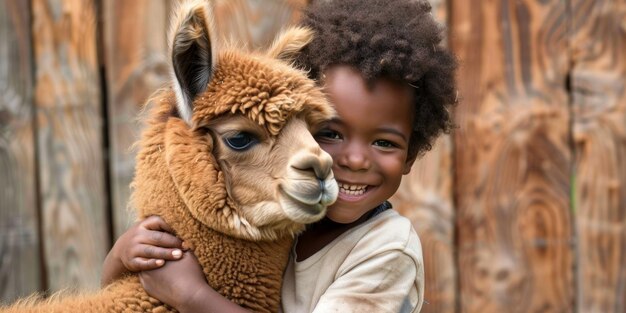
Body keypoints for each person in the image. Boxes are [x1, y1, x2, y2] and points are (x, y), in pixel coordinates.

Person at [101, 0, 457, 312]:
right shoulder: (283, 215)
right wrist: (120, 258)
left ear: (411, 155)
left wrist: (192, 297)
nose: (354, 160)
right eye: (328, 134)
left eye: (384, 143)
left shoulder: (388, 251)